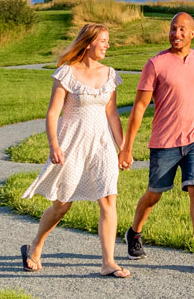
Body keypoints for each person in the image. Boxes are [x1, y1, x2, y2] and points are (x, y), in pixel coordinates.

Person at [19, 24, 131, 278]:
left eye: (108, 41)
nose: (107, 45)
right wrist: (54, 146)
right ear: (89, 41)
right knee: (62, 204)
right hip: (72, 145)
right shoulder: (66, 73)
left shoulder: (110, 74)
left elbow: (112, 114)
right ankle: (36, 245)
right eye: (103, 40)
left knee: (108, 199)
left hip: (102, 145)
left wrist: (122, 148)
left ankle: (108, 263)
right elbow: (52, 113)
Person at [120, 12, 194, 271]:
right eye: (173, 29)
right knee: (154, 195)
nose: (176, 34)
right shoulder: (155, 64)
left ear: (192, 33)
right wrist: (127, 148)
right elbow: (140, 108)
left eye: (182, 30)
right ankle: (134, 233)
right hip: (164, 142)